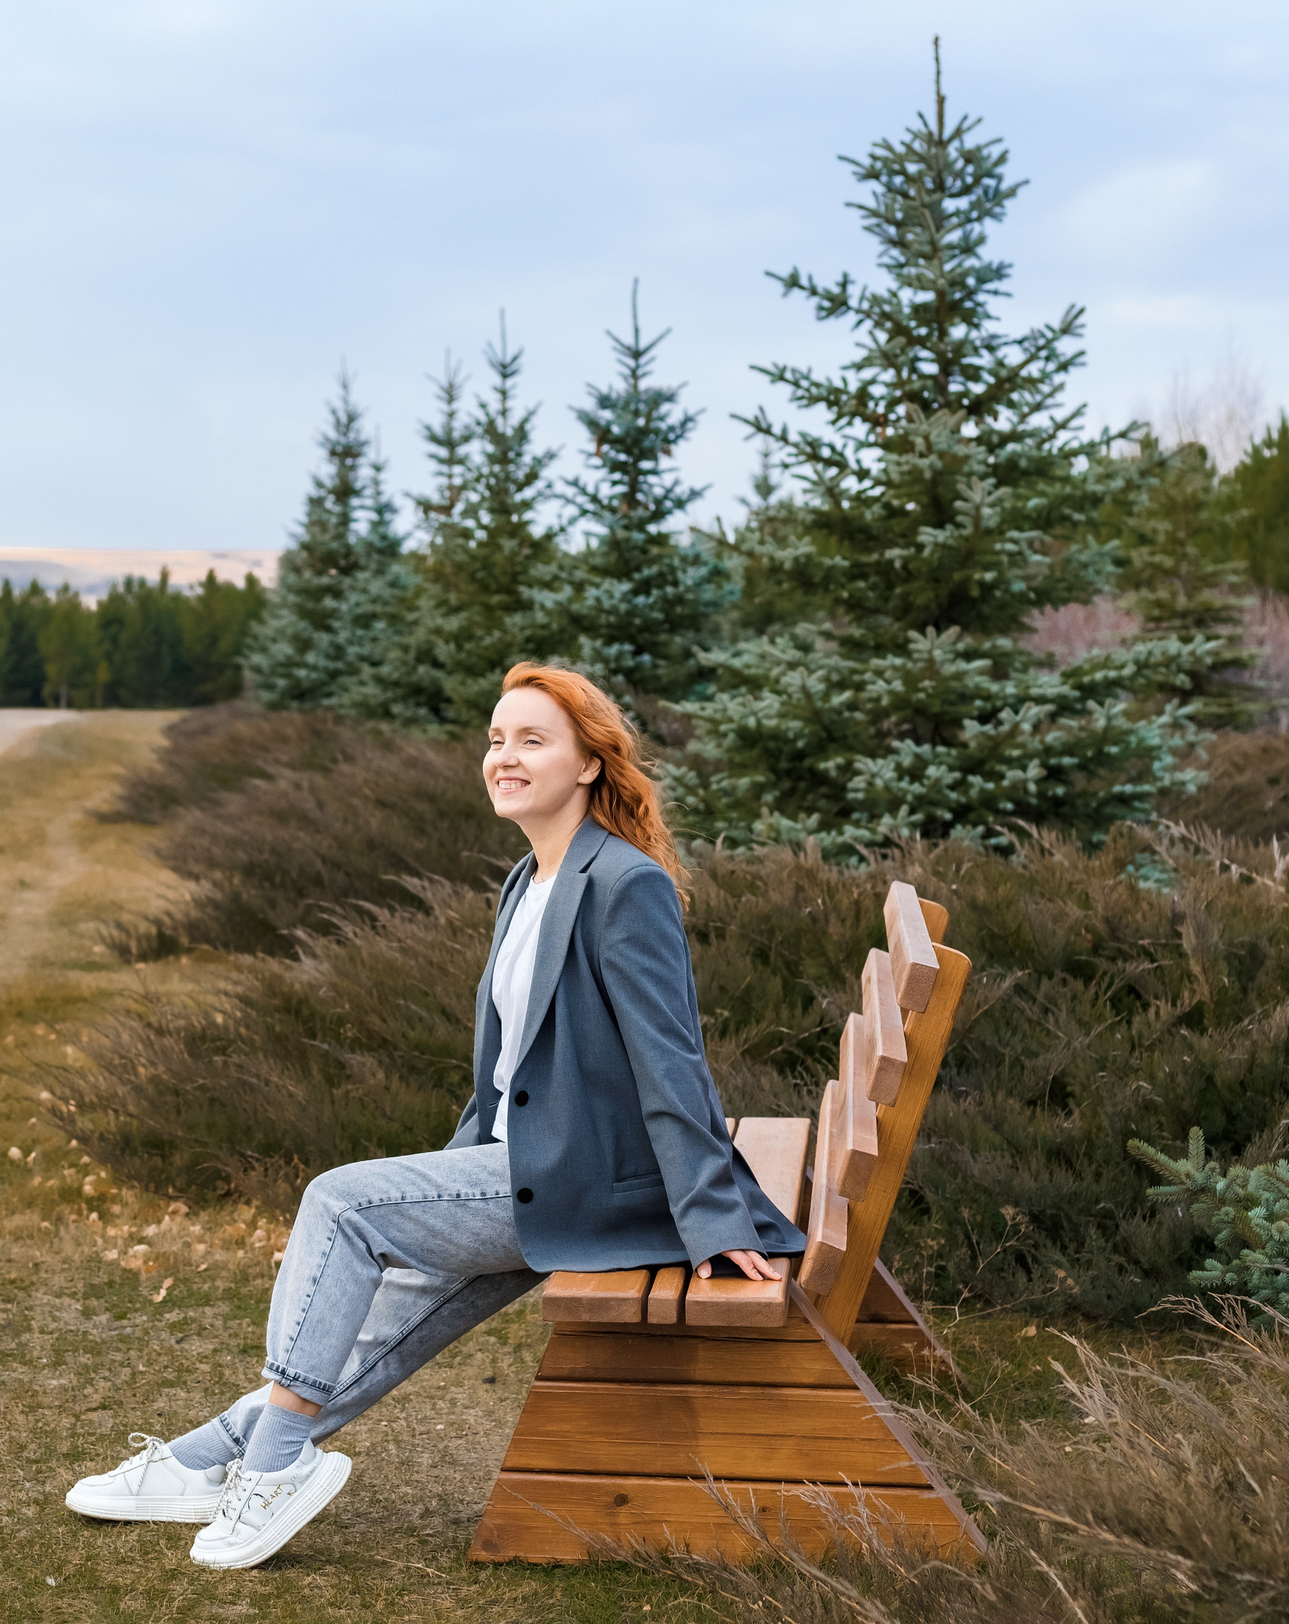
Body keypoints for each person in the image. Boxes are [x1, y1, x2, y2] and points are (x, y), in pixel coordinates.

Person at [64, 663, 807, 1569]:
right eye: (497, 738)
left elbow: (672, 1063)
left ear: (587, 764)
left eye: (532, 739)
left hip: (581, 1184)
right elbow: (507, 1070)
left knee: (338, 1204)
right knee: (376, 1324)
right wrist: (457, 1170)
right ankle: (206, 1459)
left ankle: (273, 1467)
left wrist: (714, 1217)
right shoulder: (526, 880)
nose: (505, 755)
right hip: (511, 1165)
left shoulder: (624, 884)